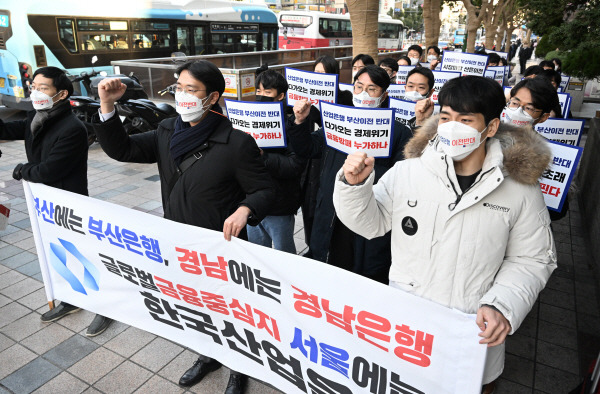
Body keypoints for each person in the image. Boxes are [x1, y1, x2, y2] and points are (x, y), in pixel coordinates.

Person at [333, 75, 556, 394]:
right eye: (447, 117)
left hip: (472, 331)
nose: (453, 127)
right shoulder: (409, 171)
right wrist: (354, 186)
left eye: (466, 120)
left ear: (491, 127)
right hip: (408, 326)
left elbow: (532, 258)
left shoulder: (520, 188)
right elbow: (371, 223)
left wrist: (502, 304)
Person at [93, 60, 275, 394]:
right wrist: (107, 106)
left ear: (212, 96)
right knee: (198, 306)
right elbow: (124, 149)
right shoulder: (167, 130)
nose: (182, 95)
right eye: (179, 87)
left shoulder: (236, 142)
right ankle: (207, 355)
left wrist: (245, 209)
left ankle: (238, 367)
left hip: (223, 247)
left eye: (191, 90)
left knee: (229, 309)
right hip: (179, 242)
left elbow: (265, 190)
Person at [0, 66, 113, 336]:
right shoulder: (36, 117)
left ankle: (106, 308)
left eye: (43, 88)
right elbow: (8, 129)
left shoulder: (71, 128)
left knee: (84, 255)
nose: (36, 92)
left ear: (61, 94)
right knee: (61, 253)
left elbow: (49, 170)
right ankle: (73, 300)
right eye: (34, 87)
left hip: (69, 203)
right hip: (46, 203)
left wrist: (21, 170)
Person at [287, 65, 413, 283]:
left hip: (370, 215)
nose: (363, 93)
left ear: (384, 95)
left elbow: (403, 176)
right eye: (359, 87)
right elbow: (307, 148)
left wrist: (366, 174)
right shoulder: (338, 121)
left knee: (364, 274)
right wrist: (299, 121)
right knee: (330, 269)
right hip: (331, 213)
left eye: (372, 89)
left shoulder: (399, 132)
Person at [246, 69, 305, 253]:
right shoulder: (247, 120)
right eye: (258, 91)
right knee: (257, 253)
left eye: (267, 92)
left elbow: (295, 165)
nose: (261, 96)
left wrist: (264, 157)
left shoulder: (291, 126)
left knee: (284, 253)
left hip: (279, 204)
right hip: (252, 202)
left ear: (280, 96)